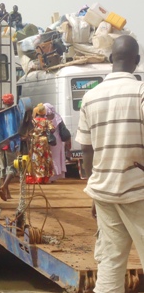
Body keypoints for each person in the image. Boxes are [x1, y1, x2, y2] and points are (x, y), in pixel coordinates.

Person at [76, 35, 144, 293]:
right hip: (137, 190)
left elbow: (86, 149)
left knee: (111, 261)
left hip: (103, 192)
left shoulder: (90, 97)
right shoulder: (140, 92)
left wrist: (95, 194)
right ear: (137, 62)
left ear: (109, 59)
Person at [26, 103, 54, 184]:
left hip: (34, 141)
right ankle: (43, 178)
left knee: (35, 159)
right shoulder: (47, 121)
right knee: (44, 159)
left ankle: (35, 177)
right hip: (44, 141)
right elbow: (52, 129)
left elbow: (28, 131)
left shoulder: (32, 121)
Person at [44, 103, 70, 183]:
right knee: (56, 158)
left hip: (48, 140)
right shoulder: (58, 116)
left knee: (49, 157)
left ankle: (50, 176)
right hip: (57, 140)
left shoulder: (44, 118)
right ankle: (56, 175)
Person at [0, 93, 18, 200]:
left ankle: (7, 193)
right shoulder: (14, 114)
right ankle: (4, 186)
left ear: (3, 102)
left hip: (0, 144)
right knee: (12, 169)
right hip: (10, 144)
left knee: (3, 168)